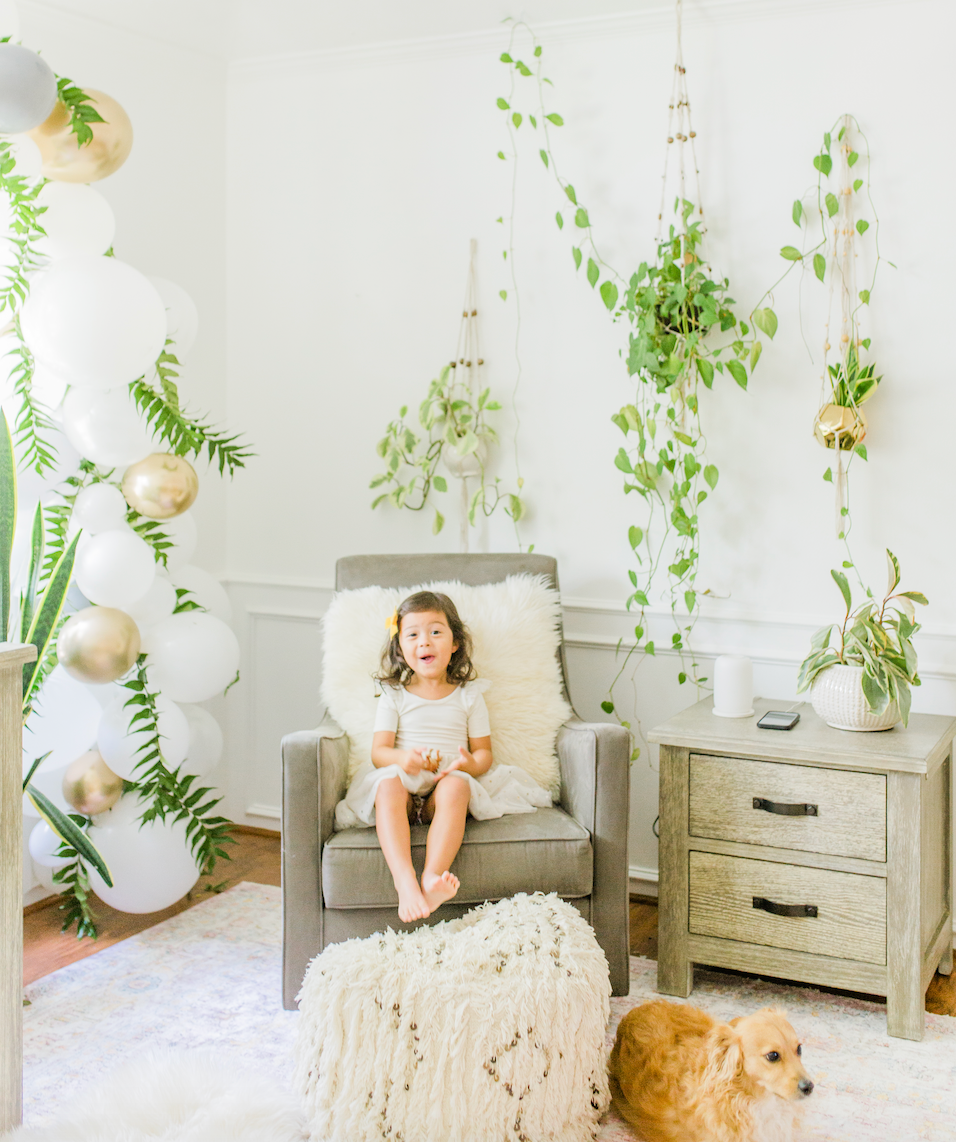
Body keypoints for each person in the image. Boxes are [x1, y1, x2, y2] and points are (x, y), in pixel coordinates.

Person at [334, 589, 550, 922]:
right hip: (404, 786)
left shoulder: (469, 697)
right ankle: (405, 880)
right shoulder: (394, 696)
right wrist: (402, 760)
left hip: (442, 788)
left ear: (455, 644)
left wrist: (468, 765)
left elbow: (483, 756)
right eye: (413, 634)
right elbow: (379, 754)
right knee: (388, 785)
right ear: (401, 648)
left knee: (457, 786)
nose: (425, 642)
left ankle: (431, 876)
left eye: (436, 632)